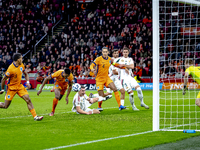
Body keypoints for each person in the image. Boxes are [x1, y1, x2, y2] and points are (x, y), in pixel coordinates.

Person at [0, 53, 43, 121]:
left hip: (19, 86)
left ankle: (35, 116)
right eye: (21, 58)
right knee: (5, 106)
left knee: (28, 99)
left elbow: (25, 74)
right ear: (18, 59)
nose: (22, 59)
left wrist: (28, 82)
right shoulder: (10, 69)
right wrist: (2, 89)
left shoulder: (21, 65)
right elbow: (3, 79)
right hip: (11, 88)